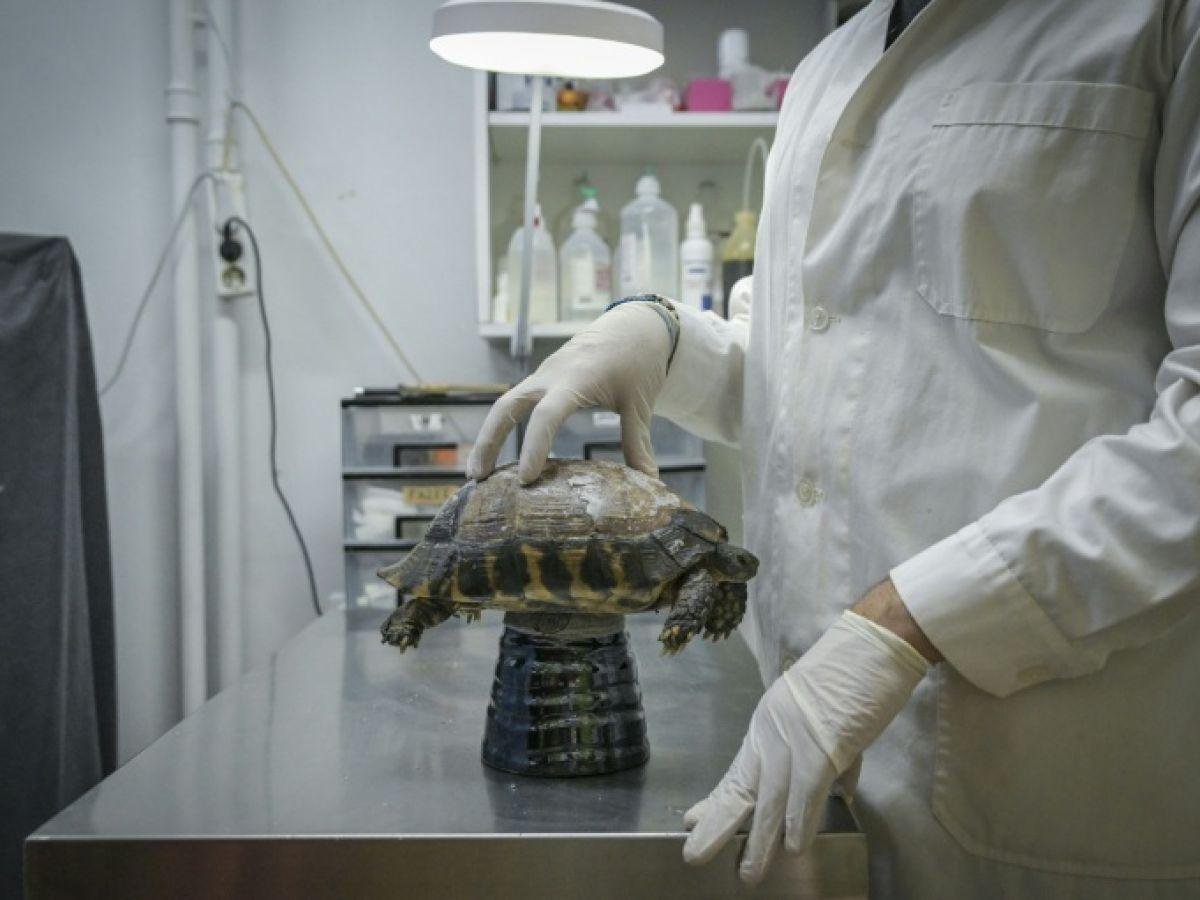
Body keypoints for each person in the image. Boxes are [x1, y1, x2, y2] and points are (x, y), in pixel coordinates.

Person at [467, 0, 1200, 895]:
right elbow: (815, 368)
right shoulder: (827, 69)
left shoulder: (1158, 22)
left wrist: (910, 622)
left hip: (1050, 790)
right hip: (805, 774)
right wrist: (665, 340)